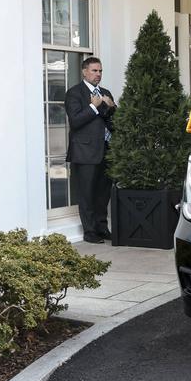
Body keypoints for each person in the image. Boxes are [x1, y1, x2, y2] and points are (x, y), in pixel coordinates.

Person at [65, 57, 116, 244]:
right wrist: (94, 106)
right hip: (84, 152)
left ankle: (102, 228)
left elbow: (113, 124)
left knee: (103, 194)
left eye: (100, 71)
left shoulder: (106, 93)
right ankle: (90, 232)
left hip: (107, 150)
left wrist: (111, 108)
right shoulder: (74, 93)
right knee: (86, 194)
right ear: (84, 72)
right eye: (94, 71)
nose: (98, 74)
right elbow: (76, 121)